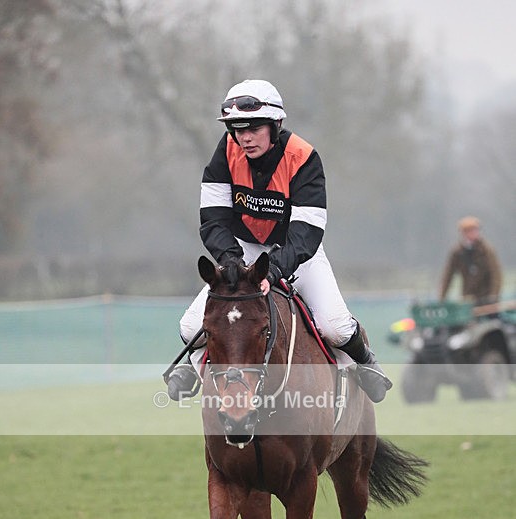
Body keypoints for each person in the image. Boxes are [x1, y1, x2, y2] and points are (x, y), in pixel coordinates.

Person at [167, 79, 392, 403]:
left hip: (296, 253)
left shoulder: (303, 157)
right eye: (237, 129)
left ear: (275, 125)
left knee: (335, 327)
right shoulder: (225, 153)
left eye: (253, 128)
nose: (245, 137)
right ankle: (195, 366)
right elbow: (213, 220)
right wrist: (232, 261)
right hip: (243, 251)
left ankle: (365, 360)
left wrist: (272, 271)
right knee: (190, 328)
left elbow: (306, 232)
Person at [439, 216, 503, 305]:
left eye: (475, 230)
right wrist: (442, 297)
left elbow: (496, 273)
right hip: (468, 297)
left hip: (486, 297)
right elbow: (448, 275)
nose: (473, 234)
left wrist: (494, 295)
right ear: (463, 233)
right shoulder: (457, 252)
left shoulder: (486, 250)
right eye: (469, 231)